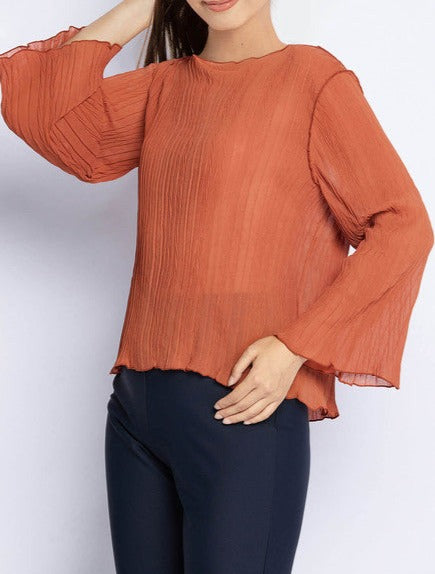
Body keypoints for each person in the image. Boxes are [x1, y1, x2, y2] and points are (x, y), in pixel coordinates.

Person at [0, 1, 433, 572]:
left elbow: (403, 226)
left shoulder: (313, 80)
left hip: (242, 413)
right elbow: (43, 106)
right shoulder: (162, 87)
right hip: (134, 411)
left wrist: (295, 346)